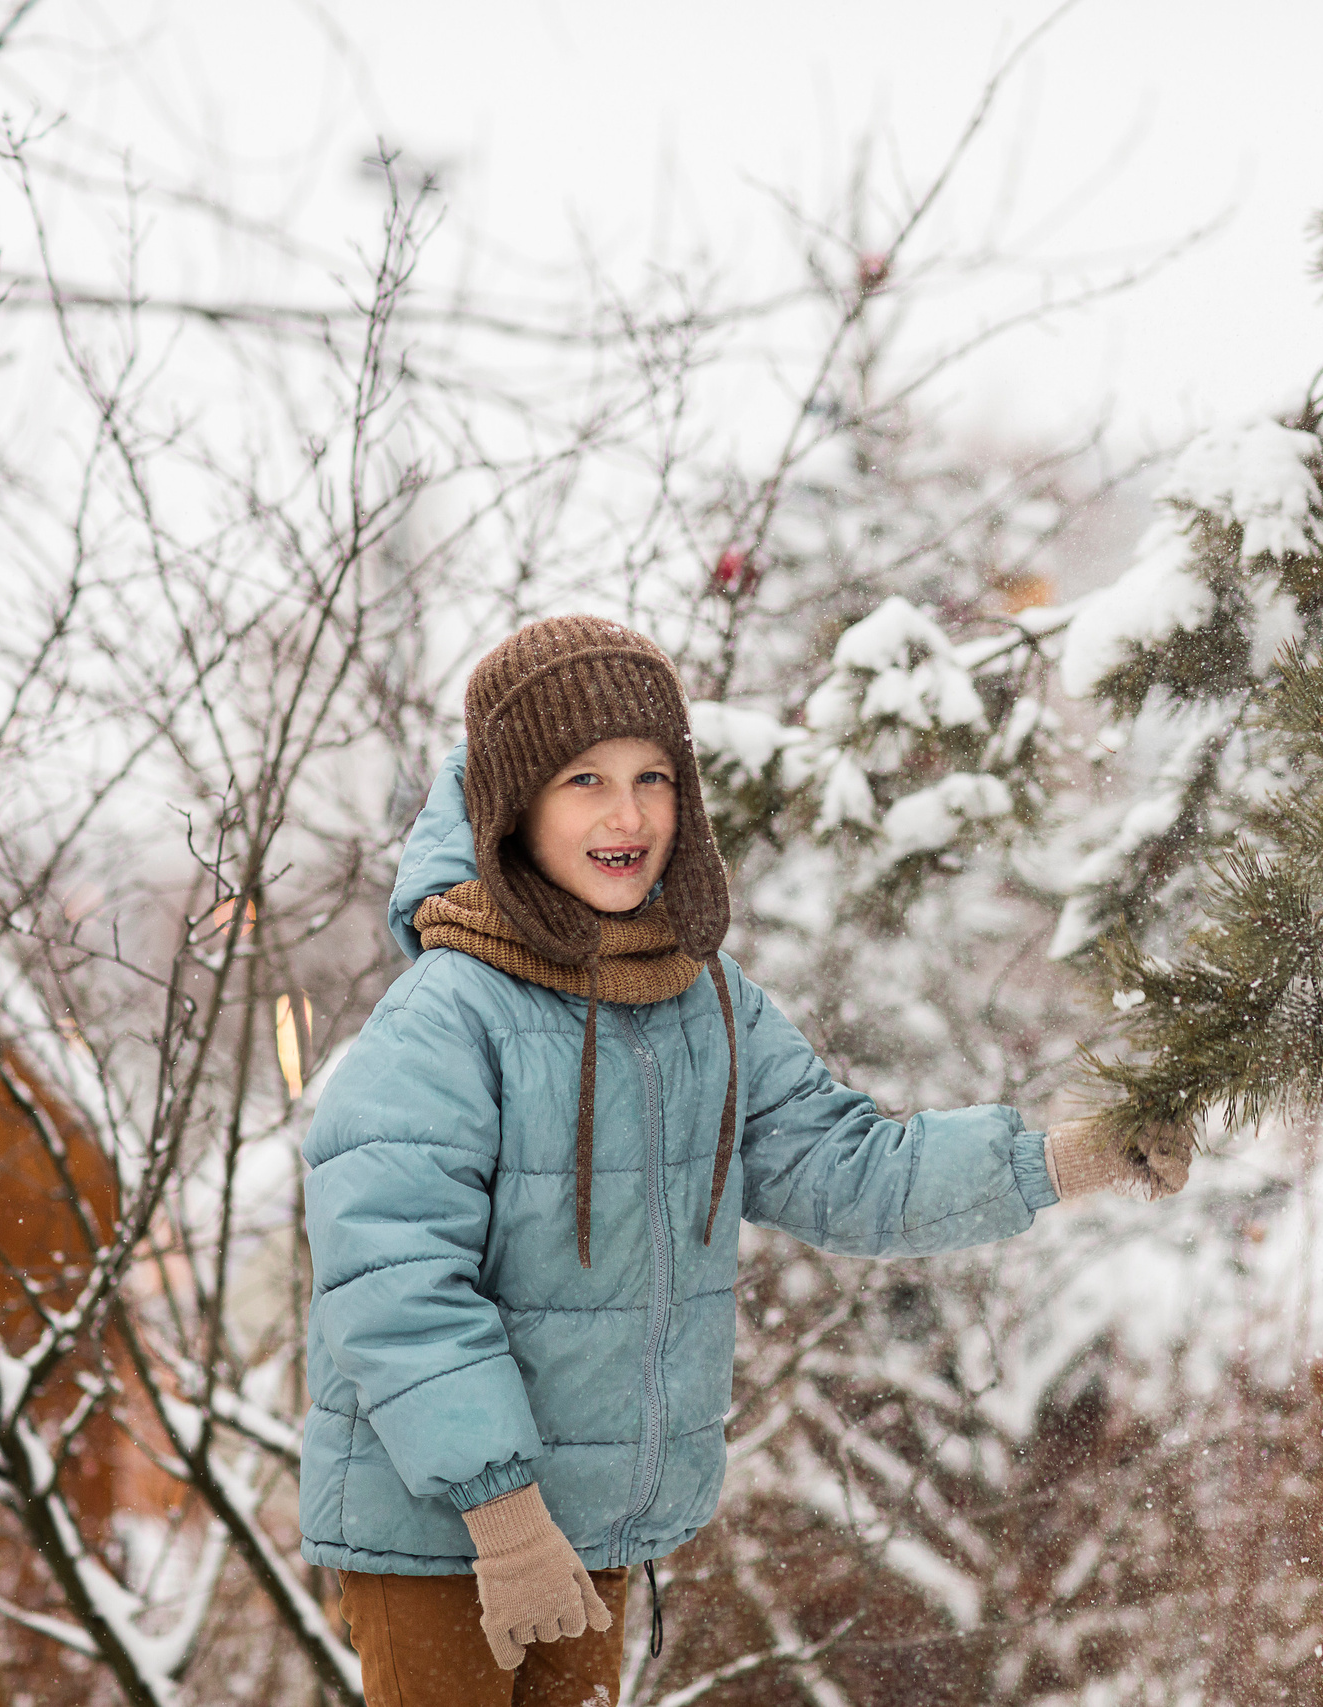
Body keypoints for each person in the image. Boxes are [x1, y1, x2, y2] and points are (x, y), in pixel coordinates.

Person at [298, 615, 1190, 1706]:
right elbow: (391, 1282)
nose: (628, 816)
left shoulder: (706, 1001)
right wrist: (502, 1509)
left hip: (593, 1526)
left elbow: (851, 1172)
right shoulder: (446, 1015)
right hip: (443, 1531)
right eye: (584, 781)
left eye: (653, 777)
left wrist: (1065, 1158)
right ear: (515, 804)